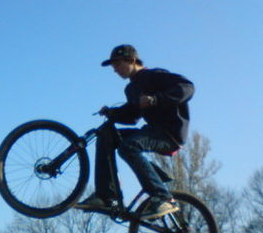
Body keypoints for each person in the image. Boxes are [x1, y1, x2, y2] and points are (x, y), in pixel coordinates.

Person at [75, 44, 195, 220]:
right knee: (106, 135)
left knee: (128, 147)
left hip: (170, 134)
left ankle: (163, 197)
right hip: (151, 131)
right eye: (113, 67)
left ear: (131, 60)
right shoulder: (131, 89)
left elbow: (187, 87)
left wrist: (156, 99)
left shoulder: (154, 76)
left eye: (118, 64)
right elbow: (132, 116)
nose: (115, 70)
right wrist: (112, 113)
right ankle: (107, 196)